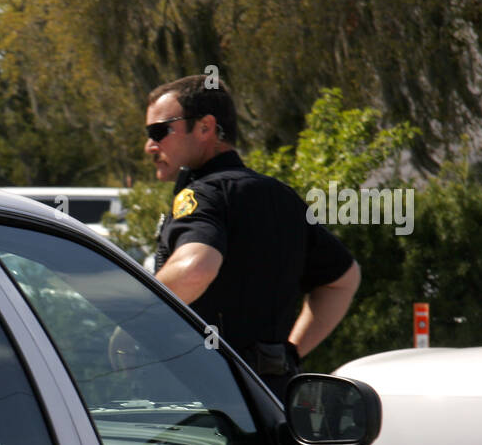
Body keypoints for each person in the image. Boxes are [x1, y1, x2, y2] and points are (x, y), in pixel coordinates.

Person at [144, 75, 361, 399]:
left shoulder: (204, 195)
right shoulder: (281, 196)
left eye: (159, 131)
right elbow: (345, 279)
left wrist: (133, 316)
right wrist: (289, 355)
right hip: (272, 400)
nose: (150, 145)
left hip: (204, 403)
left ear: (205, 128)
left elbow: (196, 269)